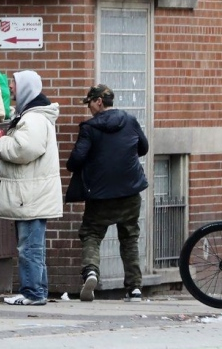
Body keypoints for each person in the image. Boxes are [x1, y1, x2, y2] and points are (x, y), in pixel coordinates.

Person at [66, 84, 149, 302]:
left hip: (100, 195)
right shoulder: (130, 121)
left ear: (99, 102)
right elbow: (144, 148)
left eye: (90, 104)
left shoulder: (89, 128)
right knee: (130, 237)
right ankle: (134, 288)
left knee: (91, 233)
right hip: (130, 191)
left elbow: (76, 161)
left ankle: (91, 272)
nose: (89, 109)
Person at [0, 70, 62, 306]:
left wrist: (1, 143)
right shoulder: (32, 116)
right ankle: (37, 290)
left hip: (30, 195)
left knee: (29, 247)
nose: (11, 87)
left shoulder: (33, 119)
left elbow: (24, 150)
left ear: (27, 89)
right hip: (32, 194)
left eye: (14, 84)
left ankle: (32, 292)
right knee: (34, 246)